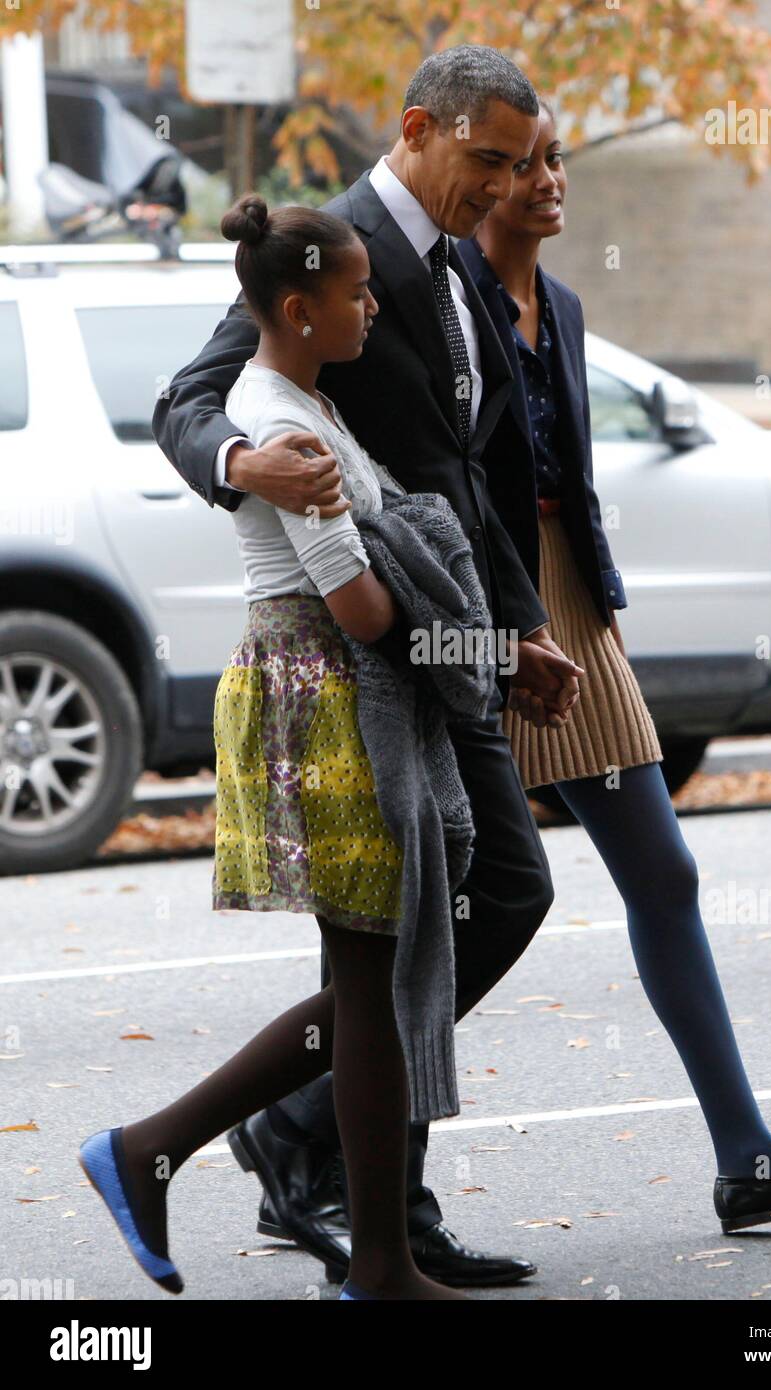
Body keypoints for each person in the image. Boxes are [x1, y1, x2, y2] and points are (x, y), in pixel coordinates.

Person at [151, 46, 582, 1287]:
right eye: (486, 160)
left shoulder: (452, 270)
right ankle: (342, 1174)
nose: (504, 185)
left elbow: (471, 468)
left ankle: (323, 1154)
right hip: (373, 656)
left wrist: (520, 623)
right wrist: (246, 465)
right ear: (417, 129)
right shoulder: (324, 247)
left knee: (485, 899)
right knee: (476, 901)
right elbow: (190, 400)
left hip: (451, 645)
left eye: (519, 162)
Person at [454, 99, 771, 1234]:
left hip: (572, 609)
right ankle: (314, 1131)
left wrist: (591, 603)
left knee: (664, 875)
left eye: (555, 160)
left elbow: (570, 482)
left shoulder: (559, 303)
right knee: (455, 906)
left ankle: (744, 1153)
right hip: (479, 620)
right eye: (526, 165)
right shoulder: (440, 296)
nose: (551, 180)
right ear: (479, 179)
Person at [78, 194, 484, 1301]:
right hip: (328, 701)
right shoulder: (283, 425)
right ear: (299, 308)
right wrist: (463, 634)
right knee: (367, 991)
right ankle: (379, 1267)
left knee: (369, 988)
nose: (371, 307)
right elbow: (356, 604)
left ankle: (150, 1152)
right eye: (356, 294)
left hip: (335, 696)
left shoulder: (307, 397)